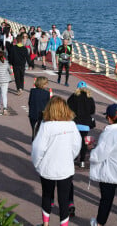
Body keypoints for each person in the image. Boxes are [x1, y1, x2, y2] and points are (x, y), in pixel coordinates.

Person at [32, 96, 81, 226]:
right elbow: (77, 145)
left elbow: (38, 148)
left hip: (48, 168)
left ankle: (46, 224)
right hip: (65, 168)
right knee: (64, 200)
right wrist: (70, 157)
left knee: (47, 196)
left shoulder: (46, 125)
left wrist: (37, 164)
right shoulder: (71, 125)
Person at [67, 81, 95, 168]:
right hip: (86, 124)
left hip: (75, 123)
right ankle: (82, 160)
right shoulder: (90, 98)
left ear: (77, 88)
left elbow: (68, 107)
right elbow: (92, 111)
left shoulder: (73, 96)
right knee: (83, 142)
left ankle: (74, 157)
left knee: (74, 141)